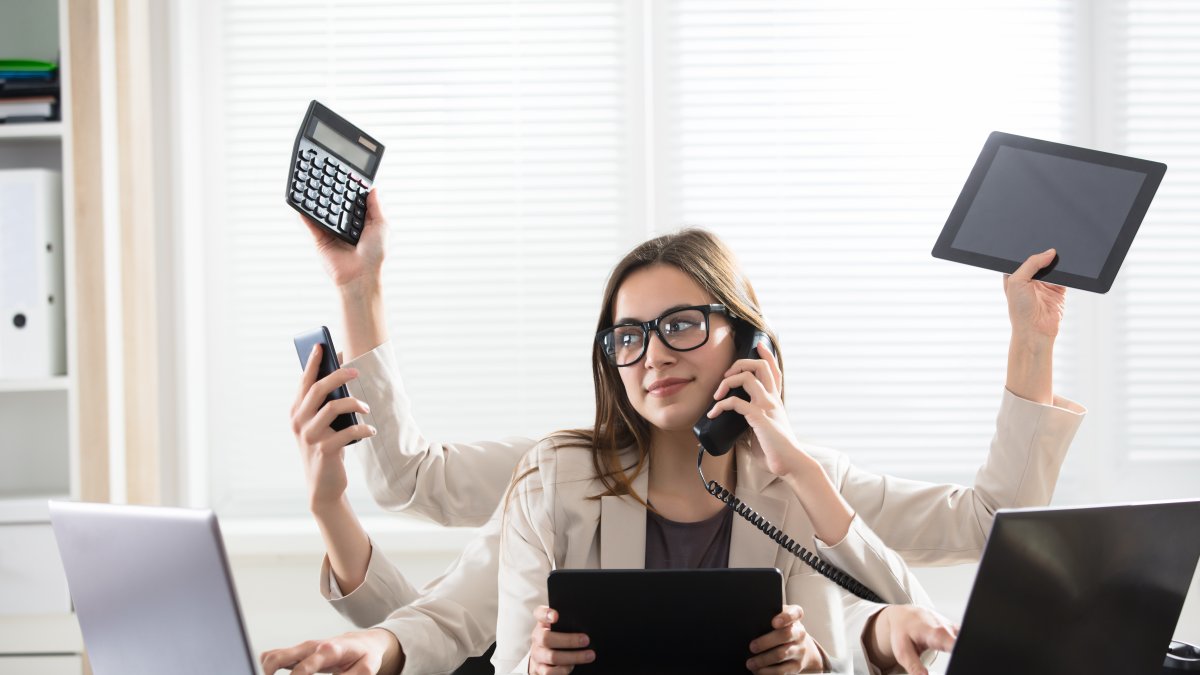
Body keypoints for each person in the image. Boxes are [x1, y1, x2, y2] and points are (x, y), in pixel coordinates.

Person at [261, 190, 1086, 675]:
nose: (653, 354)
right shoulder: (556, 476)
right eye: (628, 336)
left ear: (749, 342)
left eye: (683, 324)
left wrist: (1033, 336)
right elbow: (450, 614)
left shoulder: (804, 483)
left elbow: (986, 526)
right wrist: (389, 647)